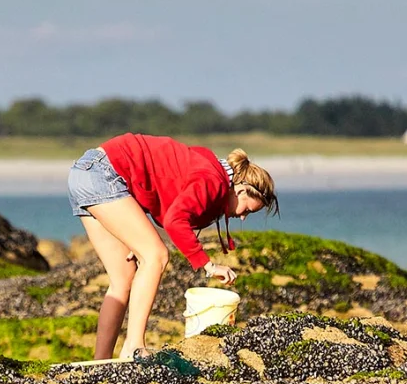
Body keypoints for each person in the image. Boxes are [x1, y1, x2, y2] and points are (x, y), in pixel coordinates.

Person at [68, 132, 278, 360]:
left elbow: (157, 182)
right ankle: (134, 346)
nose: (244, 217)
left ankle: (102, 360)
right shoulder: (212, 181)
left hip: (85, 172)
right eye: (247, 209)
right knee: (156, 255)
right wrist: (208, 266)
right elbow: (174, 221)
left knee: (123, 278)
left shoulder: (208, 169)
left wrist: (131, 232)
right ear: (239, 190)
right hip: (105, 173)